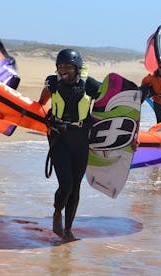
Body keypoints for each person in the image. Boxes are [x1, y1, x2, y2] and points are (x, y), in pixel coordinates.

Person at [39, 48, 100, 241]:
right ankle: (57, 213)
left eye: (68, 67)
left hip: (81, 139)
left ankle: (68, 230)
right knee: (66, 184)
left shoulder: (89, 84)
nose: (63, 70)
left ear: (77, 68)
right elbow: (43, 98)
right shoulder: (53, 82)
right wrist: (39, 107)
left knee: (76, 188)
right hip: (59, 137)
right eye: (60, 66)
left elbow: (109, 102)